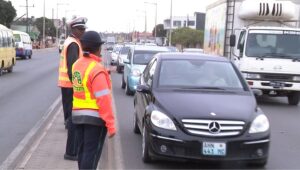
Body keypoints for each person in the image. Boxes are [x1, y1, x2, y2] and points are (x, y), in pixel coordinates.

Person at [72, 31, 116, 169]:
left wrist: (104, 74)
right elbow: (103, 99)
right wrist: (111, 125)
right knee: (91, 154)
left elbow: (85, 86)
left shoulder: (77, 64)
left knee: (83, 151)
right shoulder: (97, 69)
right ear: (97, 48)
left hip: (78, 116)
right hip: (94, 119)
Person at [57, 16, 87, 160]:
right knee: (73, 120)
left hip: (67, 85)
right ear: (73, 29)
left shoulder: (72, 41)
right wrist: (79, 88)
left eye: (84, 29)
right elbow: (73, 69)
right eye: (80, 29)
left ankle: (71, 150)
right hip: (70, 86)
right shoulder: (74, 44)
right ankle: (71, 152)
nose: (83, 31)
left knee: (71, 118)